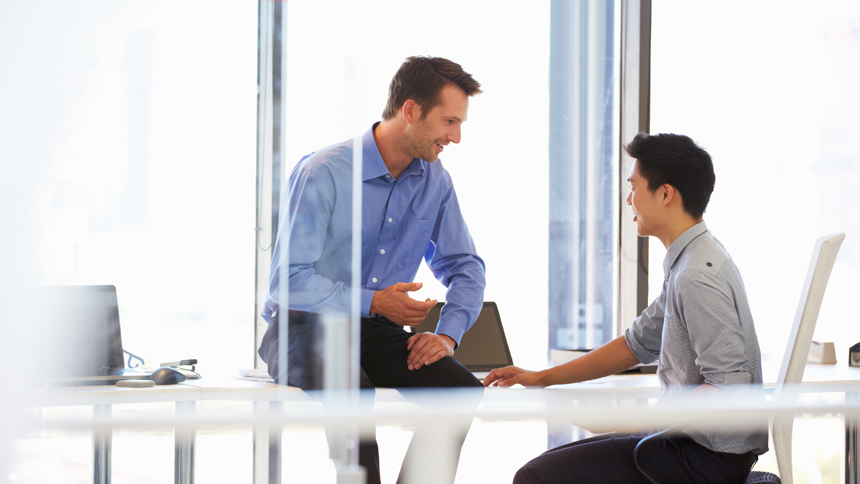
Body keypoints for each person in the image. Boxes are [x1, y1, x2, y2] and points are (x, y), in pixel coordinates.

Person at [484, 133, 768, 484]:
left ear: (665, 194)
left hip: (705, 460)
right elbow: (635, 344)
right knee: (547, 464)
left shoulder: (696, 275)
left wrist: (633, 420)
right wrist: (541, 378)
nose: (629, 199)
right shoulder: (691, 260)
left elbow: (729, 389)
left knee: (535, 477)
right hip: (690, 446)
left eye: (634, 187)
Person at [258, 56, 486, 484]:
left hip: (372, 330)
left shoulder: (435, 181)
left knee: (459, 390)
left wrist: (446, 335)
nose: (455, 137)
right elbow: (287, 281)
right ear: (411, 110)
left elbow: (465, 267)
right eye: (449, 121)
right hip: (303, 327)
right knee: (353, 392)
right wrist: (376, 300)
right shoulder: (322, 172)